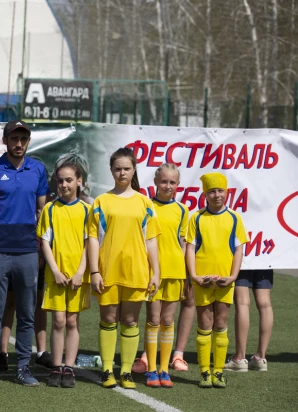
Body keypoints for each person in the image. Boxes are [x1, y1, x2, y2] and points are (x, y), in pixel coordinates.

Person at [0, 119, 48, 387]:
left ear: (27, 141)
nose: (18, 144)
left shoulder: (38, 169)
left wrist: (42, 248)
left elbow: (43, 213)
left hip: (28, 250)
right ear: (6, 140)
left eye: (23, 139)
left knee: (27, 313)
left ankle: (23, 367)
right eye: (14, 139)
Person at [88, 147, 161, 390]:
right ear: (111, 170)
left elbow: (151, 240)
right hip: (107, 269)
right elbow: (93, 239)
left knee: (130, 321)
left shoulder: (145, 202)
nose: (122, 172)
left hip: (136, 270)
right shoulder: (101, 201)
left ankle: (127, 371)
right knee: (108, 318)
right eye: (117, 168)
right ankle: (108, 369)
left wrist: (156, 272)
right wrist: (94, 271)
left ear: (133, 170)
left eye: (126, 168)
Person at [186, 172, 248, 388]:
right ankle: (204, 372)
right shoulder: (197, 217)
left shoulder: (234, 218)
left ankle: (218, 372)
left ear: (227, 192)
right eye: (212, 191)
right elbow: (190, 248)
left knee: (221, 323)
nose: (216, 195)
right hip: (202, 280)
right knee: (205, 323)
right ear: (205, 194)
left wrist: (232, 276)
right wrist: (194, 276)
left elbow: (239, 249)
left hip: (225, 280)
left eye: (220, 190)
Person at [37, 161, 90, 388]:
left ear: (79, 182)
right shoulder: (50, 209)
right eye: (60, 181)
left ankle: (69, 367)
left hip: (78, 276)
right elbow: (45, 242)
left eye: (69, 180)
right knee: (58, 320)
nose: (64, 184)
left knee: (71, 321)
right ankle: (56, 366)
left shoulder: (87, 210)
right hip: (56, 275)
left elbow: (90, 244)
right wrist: (55, 271)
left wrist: (80, 272)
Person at [139, 163, 188, 388]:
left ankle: (165, 370)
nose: (168, 186)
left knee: (168, 321)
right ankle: (150, 370)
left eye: (172, 182)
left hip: (175, 271)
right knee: (153, 319)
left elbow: (184, 244)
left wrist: (186, 274)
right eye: (164, 181)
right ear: (156, 182)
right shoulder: (146, 205)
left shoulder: (183, 210)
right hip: (153, 272)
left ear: (178, 185)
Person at [224, 269, 274, 372]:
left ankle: (240, 358)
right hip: (263, 257)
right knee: (265, 304)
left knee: (242, 302)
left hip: (244, 258)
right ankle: (260, 358)